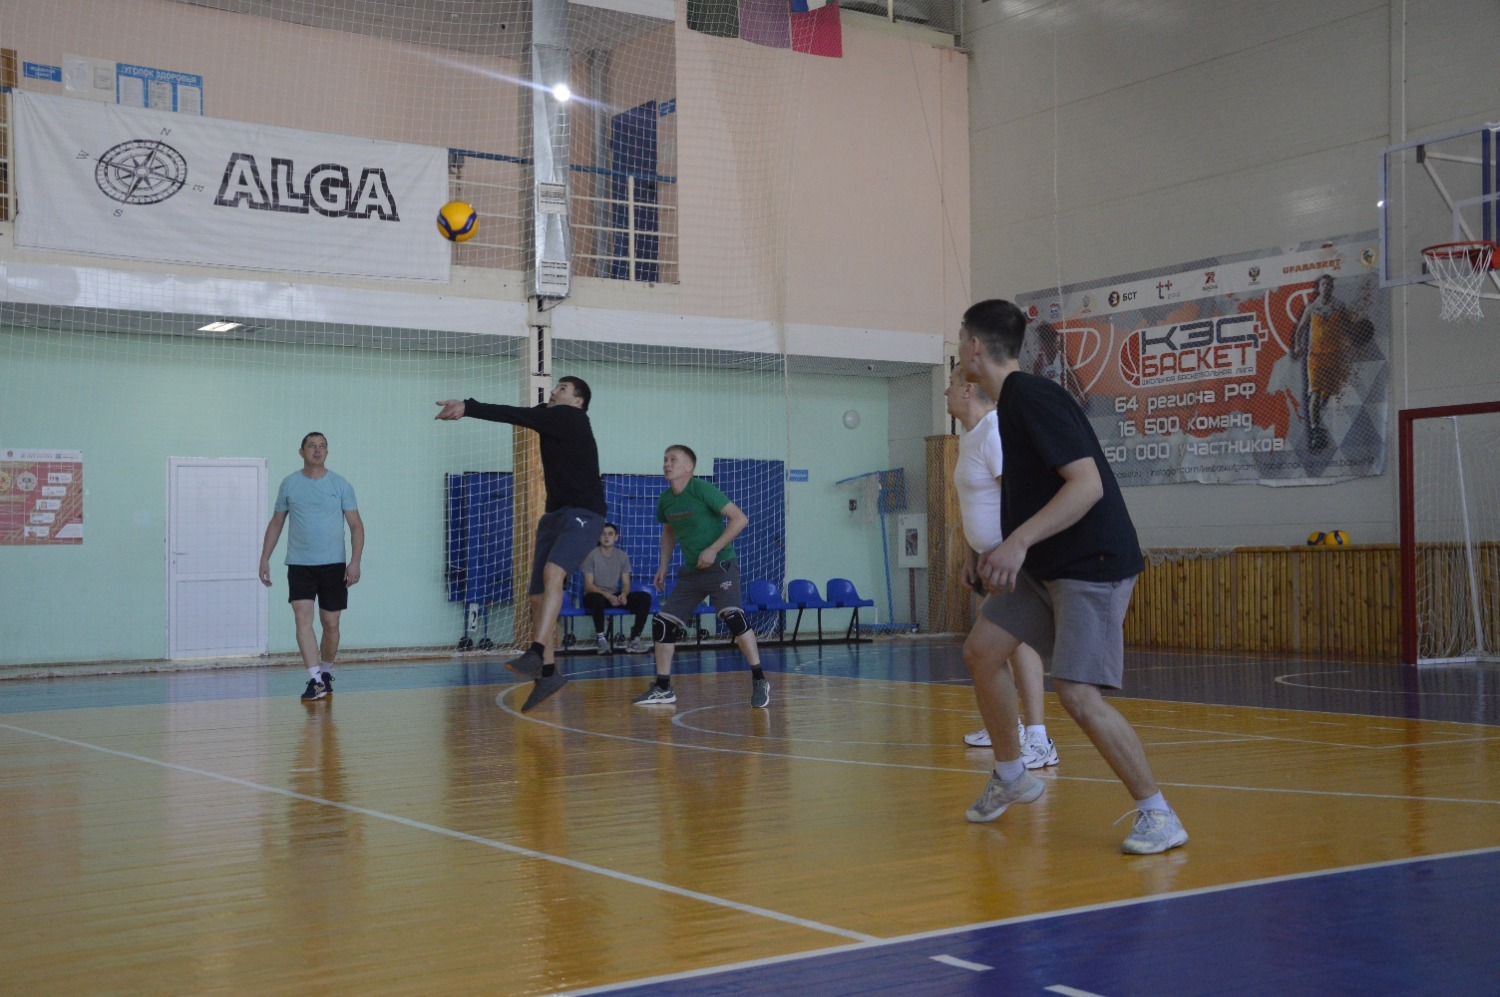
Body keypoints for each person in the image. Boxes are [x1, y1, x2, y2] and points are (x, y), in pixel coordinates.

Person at [959, 299, 1186, 855]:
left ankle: (1158, 814)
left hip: (1091, 566)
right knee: (983, 651)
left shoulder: (1033, 397)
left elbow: (1086, 485)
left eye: (960, 339)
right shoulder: (1009, 406)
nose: (957, 350)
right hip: (1045, 565)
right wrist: (999, 548)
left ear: (974, 346)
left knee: (1078, 695)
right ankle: (1011, 775)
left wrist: (1016, 543)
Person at [435, 377, 606, 712]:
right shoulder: (552, 416)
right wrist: (468, 407)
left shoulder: (572, 417)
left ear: (578, 401)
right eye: (555, 386)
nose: (554, 391)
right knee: (537, 596)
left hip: (583, 513)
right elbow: (523, 414)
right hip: (554, 515)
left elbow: (517, 415)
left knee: (554, 572)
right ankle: (549, 674)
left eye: (562, 389)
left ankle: (537, 651)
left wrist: (468, 407)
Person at [944, 367, 1058, 769]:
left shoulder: (994, 431)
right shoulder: (970, 436)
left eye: (951, 385)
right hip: (988, 558)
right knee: (993, 648)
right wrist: (970, 557)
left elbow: (1019, 494)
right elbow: (974, 504)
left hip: (1009, 558)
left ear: (968, 390)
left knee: (1016, 642)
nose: (946, 391)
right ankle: (1009, 729)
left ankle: (1038, 738)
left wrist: (1011, 550)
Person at [632, 445, 769, 708]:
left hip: (721, 566)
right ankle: (663, 688)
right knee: (662, 623)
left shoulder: (702, 489)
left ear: (689, 467)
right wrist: (663, 565)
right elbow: (669, 532)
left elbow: (740, 519)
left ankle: (759, 679)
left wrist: (713, 549)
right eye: (665, 459)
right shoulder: (666, 500)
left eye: (673, 460)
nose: (667, 464)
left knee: (733, 617)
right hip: (692, 572)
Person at [258, 432, 365, 702]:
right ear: (301, 451)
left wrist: (355, 561)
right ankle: (315, 680)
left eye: (322, 446)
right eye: (312, 446)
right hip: (300, 565)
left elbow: (356, 525)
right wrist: (264, 558)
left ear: (327, 452)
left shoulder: (340, 484)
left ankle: (326, 672)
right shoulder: (289, 484)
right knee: (302, 619)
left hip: (334, 566)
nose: (317, 450)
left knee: (331, 623)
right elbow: (276, 523)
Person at [1290, 273, 1346, 451]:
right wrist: (1297, 345)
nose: (1326, 287)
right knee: (1314, 393)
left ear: (1332, 288)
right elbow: (1300, 329)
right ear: (1319, 288)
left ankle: (1317, 414)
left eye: (1329, 284)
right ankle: (1315, 429)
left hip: (1334, 356)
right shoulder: (1311, 308)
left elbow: (1347, 327)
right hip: (1316, 357)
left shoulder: (1339, 306)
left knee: (1325, 394)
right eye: (1323, 284)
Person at [580, 523, 652, 653]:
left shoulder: (622, 556)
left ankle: (635, 639)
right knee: (597, 599)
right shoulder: (591, 555)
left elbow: (626, 583)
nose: (606, 537)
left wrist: (624, 594)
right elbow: (589, 585)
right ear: (599, 537)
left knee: (645, 597)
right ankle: (602, 640)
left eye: (610, 534)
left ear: (616, 537)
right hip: (595, 596)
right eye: (603, 534)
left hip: (613, 596)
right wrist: (608, 596)